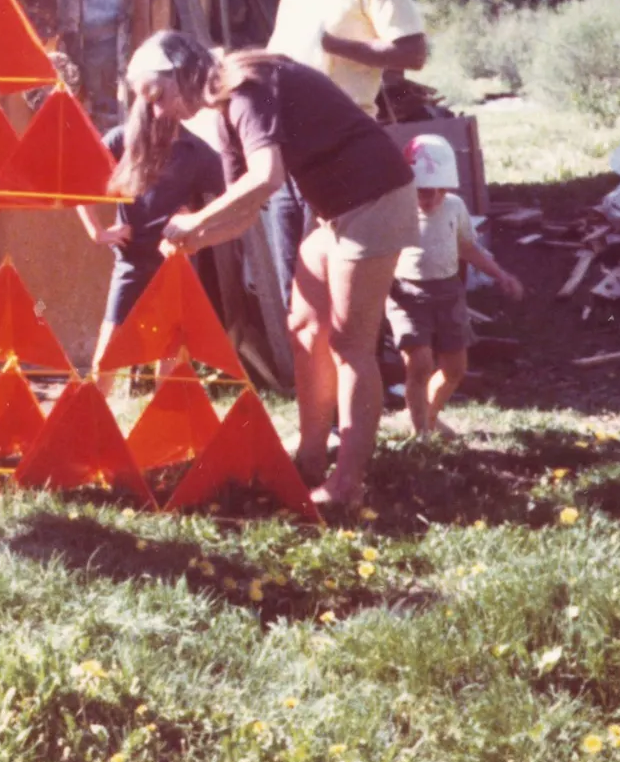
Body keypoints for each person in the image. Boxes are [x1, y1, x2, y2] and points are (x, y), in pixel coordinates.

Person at [116, 31, 420, 511]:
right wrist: (196, 240)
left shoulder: (245, 86)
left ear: (184, 73)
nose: (157, 112)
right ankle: (311, 458)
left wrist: (195, 221)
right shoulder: (222, 111)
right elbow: (245, 212)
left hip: (376, 198)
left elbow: (267, 178)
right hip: (335, 212)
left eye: (158, 96)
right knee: (303, 327)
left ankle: (347, 483)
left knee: (349, 343)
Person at [258, 0, 427, 294]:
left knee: (337, 290)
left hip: (339, 151)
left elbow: (413, 52)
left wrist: (335, 46)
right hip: (286, 144)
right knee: (291, 285)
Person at [79, 89, 225, 388]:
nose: (164, 110)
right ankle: (91, 422)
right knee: (106, 353)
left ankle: (163, 429)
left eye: (172, 101)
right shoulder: (122, 140)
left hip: (173, 262)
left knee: (170, 353)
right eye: (156, 102)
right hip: (131, 261)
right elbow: (80, 182)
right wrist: (98, 232)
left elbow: (235, 191)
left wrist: (195, 217)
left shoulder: (195, 150)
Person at [388, 133, 524, 437]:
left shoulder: (454, 207)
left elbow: (467, 247)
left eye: (439, 191)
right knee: (420, 364)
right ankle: (420, 434)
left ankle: (429, 418)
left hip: (448, 292)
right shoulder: (397, 208)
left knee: (455, 369)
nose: (431, 199)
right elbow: (381, 254)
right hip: (407, 294)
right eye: (423, 191)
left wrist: (500, 275)